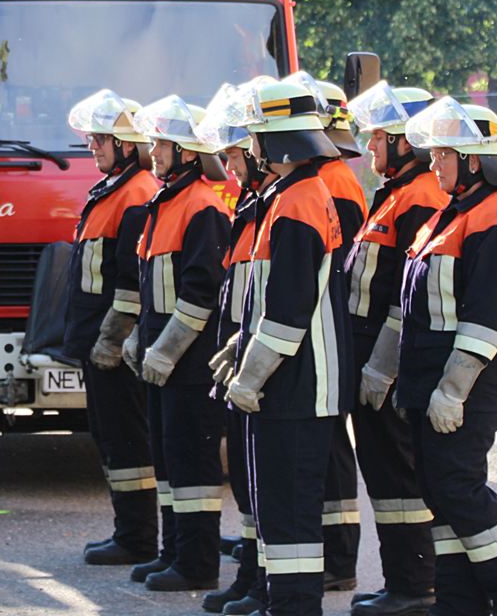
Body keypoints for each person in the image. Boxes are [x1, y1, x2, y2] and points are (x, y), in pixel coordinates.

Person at [397, 98, 497, 616]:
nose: (433, 164)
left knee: (458, 486)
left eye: (443, 155)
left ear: (473, 160)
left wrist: (452, 390)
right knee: (441, 491)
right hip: (436, 380)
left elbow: (489, 314)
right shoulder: (453, 213)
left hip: (473, 382)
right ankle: (460, 604)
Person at [223, 76, 352, 616]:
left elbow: (289, 312)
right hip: (293, 384)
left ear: (275, 140)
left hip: (300, 386)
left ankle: (294, 607)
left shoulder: (298, 201)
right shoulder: (289, 195)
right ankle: (284, 604)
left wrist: (250, 375)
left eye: (255, 137)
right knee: (279, 511)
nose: (249, 149)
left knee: (292, 514)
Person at [344, 82, 447, 616]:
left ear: (407, 141)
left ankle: (414, 587)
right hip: (373, 361)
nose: (370, 147)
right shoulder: (395, 193)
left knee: (399, 477)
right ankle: (403, 582)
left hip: (389, 365)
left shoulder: (421, 195)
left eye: (379, 137)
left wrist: (381, 369)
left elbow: (406, 300)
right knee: (385, 476)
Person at [127, 95, 232, 592]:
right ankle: (174, 553)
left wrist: (164, 350)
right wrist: (137, 338)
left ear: (188, 152)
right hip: (163, 362)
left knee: (192, 465)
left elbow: (200, 296)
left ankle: (196, 564)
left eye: (162, 143)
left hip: (189, 368)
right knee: (169, 464)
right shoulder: (166, 202)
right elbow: (153, 292)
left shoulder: (203, 208)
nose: (154, 150)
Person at [63, 90, 161, 566]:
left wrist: (111, 341)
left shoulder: (137, 194)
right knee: (111, 438)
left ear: (127, 144)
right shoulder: (114, 189)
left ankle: (138, 538)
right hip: (99, 345)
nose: (92, 147)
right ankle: (130, 532)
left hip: (115, 350)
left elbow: (130, 282)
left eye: (101, 139)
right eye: (92, 138)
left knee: (127, 441)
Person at [195, 82, 275, 615]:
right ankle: (251, 576)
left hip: (272, 375)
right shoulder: (253, 203)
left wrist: (251, 366)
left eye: (231, 152)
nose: (225, 163)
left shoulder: (282, 204)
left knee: (268, 492)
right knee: (248, 490)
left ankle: (265, 585)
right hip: (246, 360)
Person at [305, 74, 369, 594]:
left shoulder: (332, 181)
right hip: (328, 331)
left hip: (330, 333)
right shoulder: (329, 176)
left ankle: (339, 557)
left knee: (329, 448)